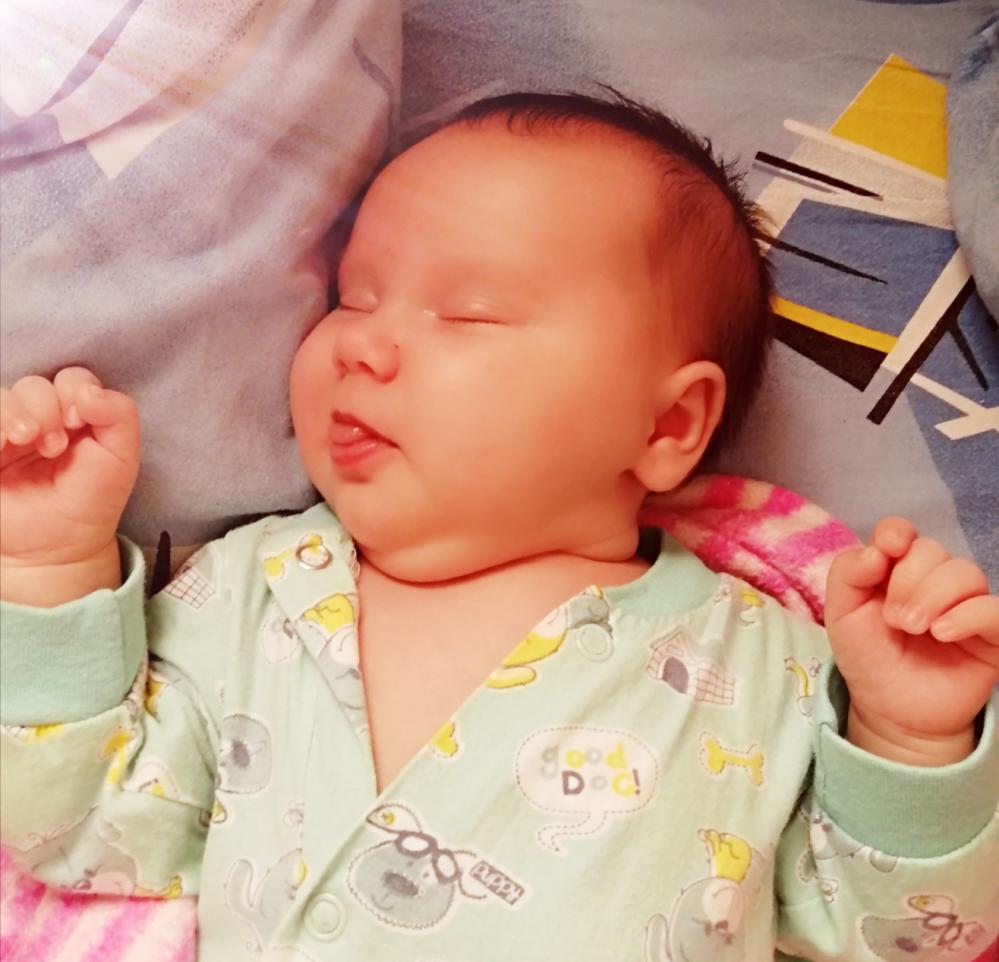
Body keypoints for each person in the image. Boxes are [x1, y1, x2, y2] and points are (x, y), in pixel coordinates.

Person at [1, 93, 996, 962]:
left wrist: (908, 736)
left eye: (470, 313)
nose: (363, 343)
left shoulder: (759, 664)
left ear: (665, 426)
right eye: (353, 296)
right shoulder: (253, 592)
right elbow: (83, 829)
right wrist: (51, 561)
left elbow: (894, 935)